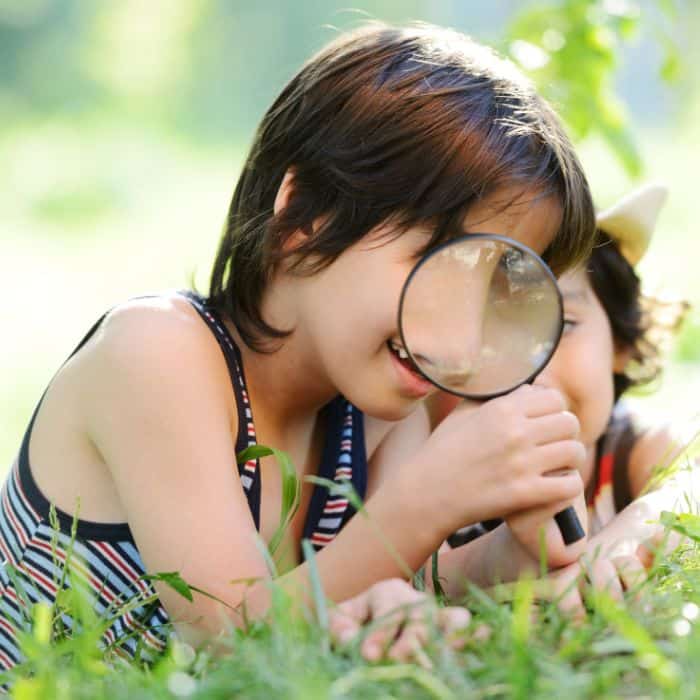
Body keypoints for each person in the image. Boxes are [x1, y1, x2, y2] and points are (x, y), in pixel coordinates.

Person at [0, 22, 596, 671]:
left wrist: (517, 550)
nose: (459, 337)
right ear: (301, 216)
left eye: (491, 293)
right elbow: (232, 638)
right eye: (435, 266)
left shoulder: (377, 404)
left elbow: (397, 579)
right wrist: (430, 497)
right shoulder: (156, 354)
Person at [432, 183, 693, 614]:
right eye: (491, 328)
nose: (531, 364)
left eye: (564, 324)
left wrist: (637, 529)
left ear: (620, 342)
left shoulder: (630, 451)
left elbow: (692, 476)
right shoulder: (439, 467)